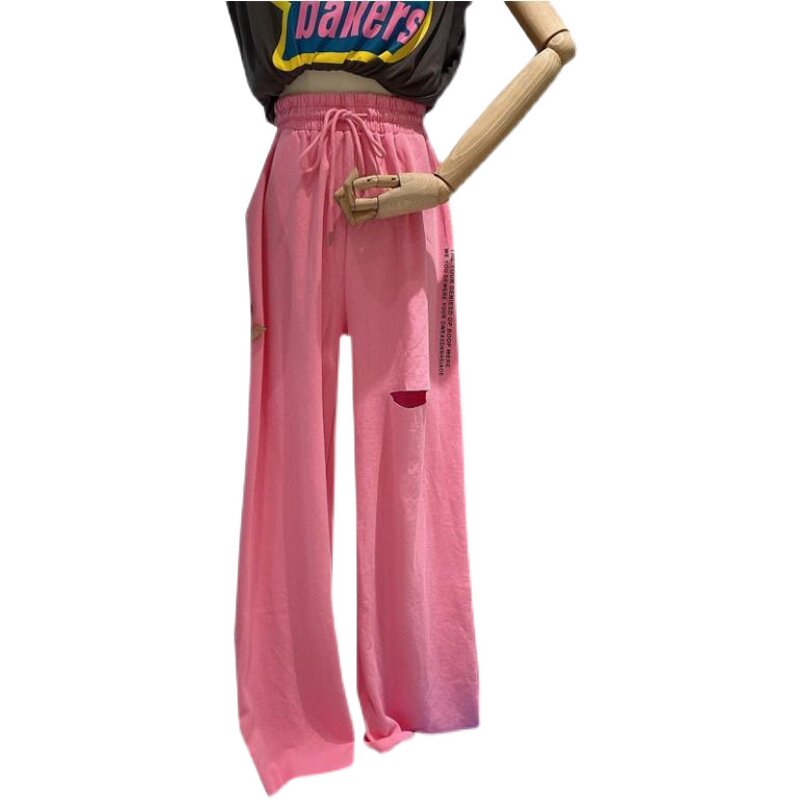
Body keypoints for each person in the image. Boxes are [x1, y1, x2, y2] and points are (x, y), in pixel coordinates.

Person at [225, 2, 575, 794]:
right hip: (296, 173)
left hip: (405, 176)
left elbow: (557, 42)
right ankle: (290, 706)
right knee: (286, 438)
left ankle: (417, 683)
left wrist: (446, 178)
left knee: (414, 435)